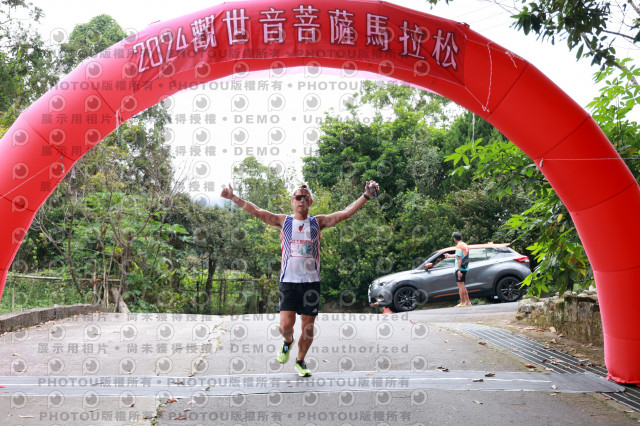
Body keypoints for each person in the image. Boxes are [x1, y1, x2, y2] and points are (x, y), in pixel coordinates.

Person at [221, 181, 379, 376]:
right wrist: (232, 197)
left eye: (305, 197)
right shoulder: (284, 222)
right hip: (288, 282)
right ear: (292, 201)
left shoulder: (318, 222)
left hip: (311, 284)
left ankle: (300, 360)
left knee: (308, 328)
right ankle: (288, 341)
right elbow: (257, 211)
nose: (301, 200)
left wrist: (366, 196)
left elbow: (345, 213)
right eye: (298, 197)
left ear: (310, 201)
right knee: (285, 326)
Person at [444, 232, 471, 307]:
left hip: (460, 267)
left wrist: (458, 270)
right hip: (465, 267)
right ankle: (468, 302)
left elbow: (459, 258)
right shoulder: (464, 245)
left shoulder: (459, 246)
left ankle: (462, 303)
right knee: (463, 285)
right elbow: (458, 255)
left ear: (455, 239)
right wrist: (449, 256)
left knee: (460, 286)